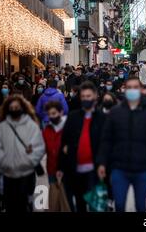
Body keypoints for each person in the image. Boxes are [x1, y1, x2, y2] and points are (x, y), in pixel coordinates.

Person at [96, 76, 146, 212]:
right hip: (119, 167)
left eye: (135, 87)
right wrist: (102, 162)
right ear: (124, 90)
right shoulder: (116, 112)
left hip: (143, 167)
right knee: (120, 205)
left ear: (140, 89)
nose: (132, 90)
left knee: (141, 205)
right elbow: (106, 139)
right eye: (129, 88)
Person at [58, 81, 106, 212]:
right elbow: (64, 142)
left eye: (88, 96)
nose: (86, 99)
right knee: (80, 204)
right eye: (83, 97)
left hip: (94, 170)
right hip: (75, 169)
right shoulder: (73, 117)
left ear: (95, 96)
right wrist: (60, 167)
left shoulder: (102, 118)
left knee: (95, 206)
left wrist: (103, 164)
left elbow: (105, 143)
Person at [0, 95, 45, 212]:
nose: (14, 109)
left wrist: (29, 161)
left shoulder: (31, 125)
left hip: (26, 173)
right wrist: (4, 162)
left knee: (25, 204)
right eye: (12, 107)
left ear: (22, 108)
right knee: (11, 205)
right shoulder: (2, 127)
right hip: (8, 173)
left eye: (17, 107)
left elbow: (38, 147)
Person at [42, 101, 67, 184]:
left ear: (61, 112)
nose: (51, 116)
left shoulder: (68, 127)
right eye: (49, 114)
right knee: (54, 195)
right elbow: (42, 148)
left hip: (67, 169)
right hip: (51, 168)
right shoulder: (47, 130)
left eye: (54, 113)